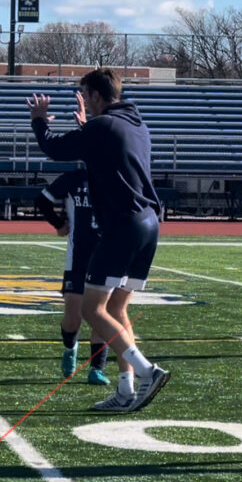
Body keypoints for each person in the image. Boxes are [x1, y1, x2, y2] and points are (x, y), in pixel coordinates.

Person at [27, 68, 170, 412]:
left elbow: (53, 148)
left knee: (93, 309)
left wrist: (39, 120)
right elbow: (109, 155)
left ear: (94, 95)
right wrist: (85, 129)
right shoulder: (136, 124)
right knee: (118, 309)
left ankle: (147, 371)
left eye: (86, 95)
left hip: (123, 225)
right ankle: (125, 389)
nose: (86, 103)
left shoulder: (102, 126)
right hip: (149, 223)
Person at [34, 168, 110, 386]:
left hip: (106, 256)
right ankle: (70, 347)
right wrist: (58, 224)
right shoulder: (74, 178)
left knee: (101, 313)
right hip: (77, 258)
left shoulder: (115, 176)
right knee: (72, 317)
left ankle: (97, 368)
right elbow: (42, 200)